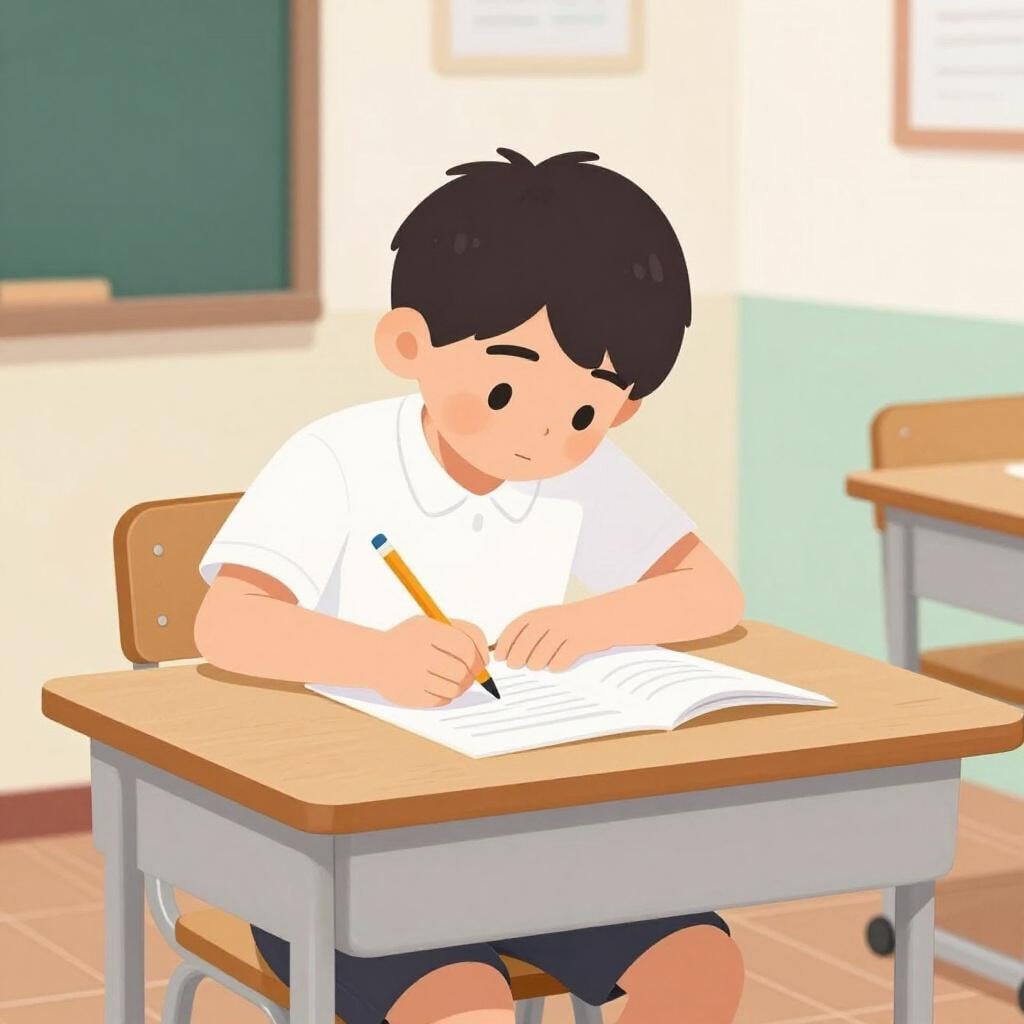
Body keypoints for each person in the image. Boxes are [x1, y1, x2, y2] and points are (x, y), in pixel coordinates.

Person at [195, 148, 745, 1024]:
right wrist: (374, 657)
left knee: (698, 967)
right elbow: (226, 623)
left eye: (582, 410)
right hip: (343, 857)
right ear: (409, 344)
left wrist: (600, 619)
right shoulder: (337, 458)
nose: (539, 432)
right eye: (505, 384)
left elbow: (712, 593)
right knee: (465, 1003)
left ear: (622, 407)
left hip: (524, 835)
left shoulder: (581, 471)